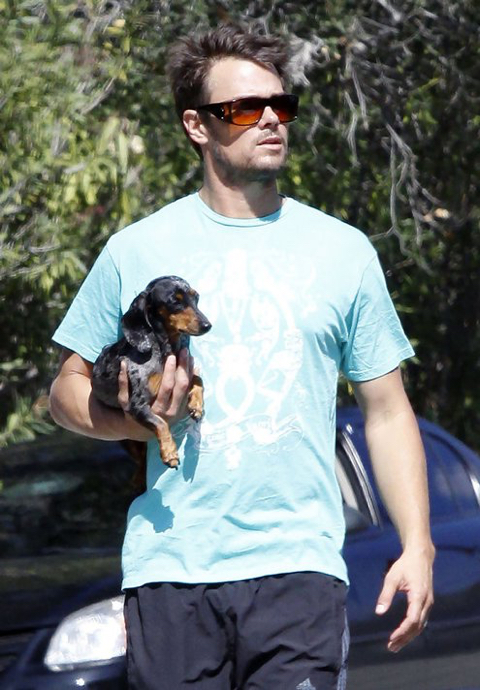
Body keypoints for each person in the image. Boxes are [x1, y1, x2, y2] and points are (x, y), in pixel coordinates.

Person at [49, 24, 435, 690]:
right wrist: (132, 421)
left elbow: (387, 411)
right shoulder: (135, 250)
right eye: (244, 109)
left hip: (300, 569)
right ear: (197, 126)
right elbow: (64, 391)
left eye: (279, 105)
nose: (270, 120)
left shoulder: (343, 251)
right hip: (172, 567)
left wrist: (418, 545)